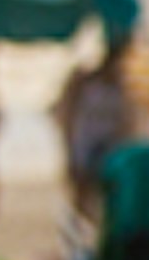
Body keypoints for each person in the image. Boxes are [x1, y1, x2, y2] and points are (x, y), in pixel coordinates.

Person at [53, 36, 134, 227]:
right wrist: (67, 143)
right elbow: (67, 113)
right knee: (81, 191)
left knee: (107, 193)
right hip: (84, 141)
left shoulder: (122, 86)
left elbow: (127, 121)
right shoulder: (84, 80)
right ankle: (81, 228)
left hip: (109, 145)